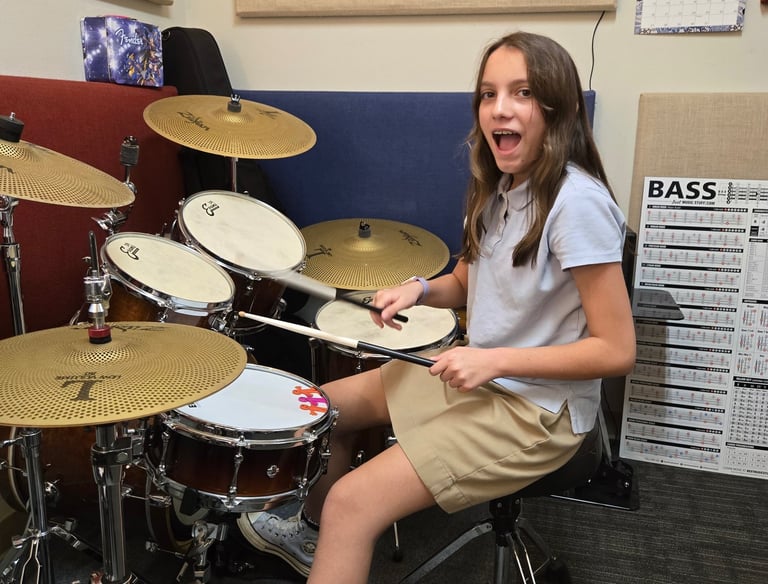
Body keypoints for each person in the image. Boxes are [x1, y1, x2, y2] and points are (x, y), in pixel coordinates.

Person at [237, 30, 636, 583]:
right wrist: (420, 289)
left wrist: (494, 360)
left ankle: (334, 528)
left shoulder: (577, 204)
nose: (500, 108)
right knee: (324, 408)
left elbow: (616, 350)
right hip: (487, 378)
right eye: (488, 93)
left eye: (521, 92)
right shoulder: (500, 188)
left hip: (539, 413)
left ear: (559, 108)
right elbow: (467, 281)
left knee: (353, 504)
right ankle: (309, 535)